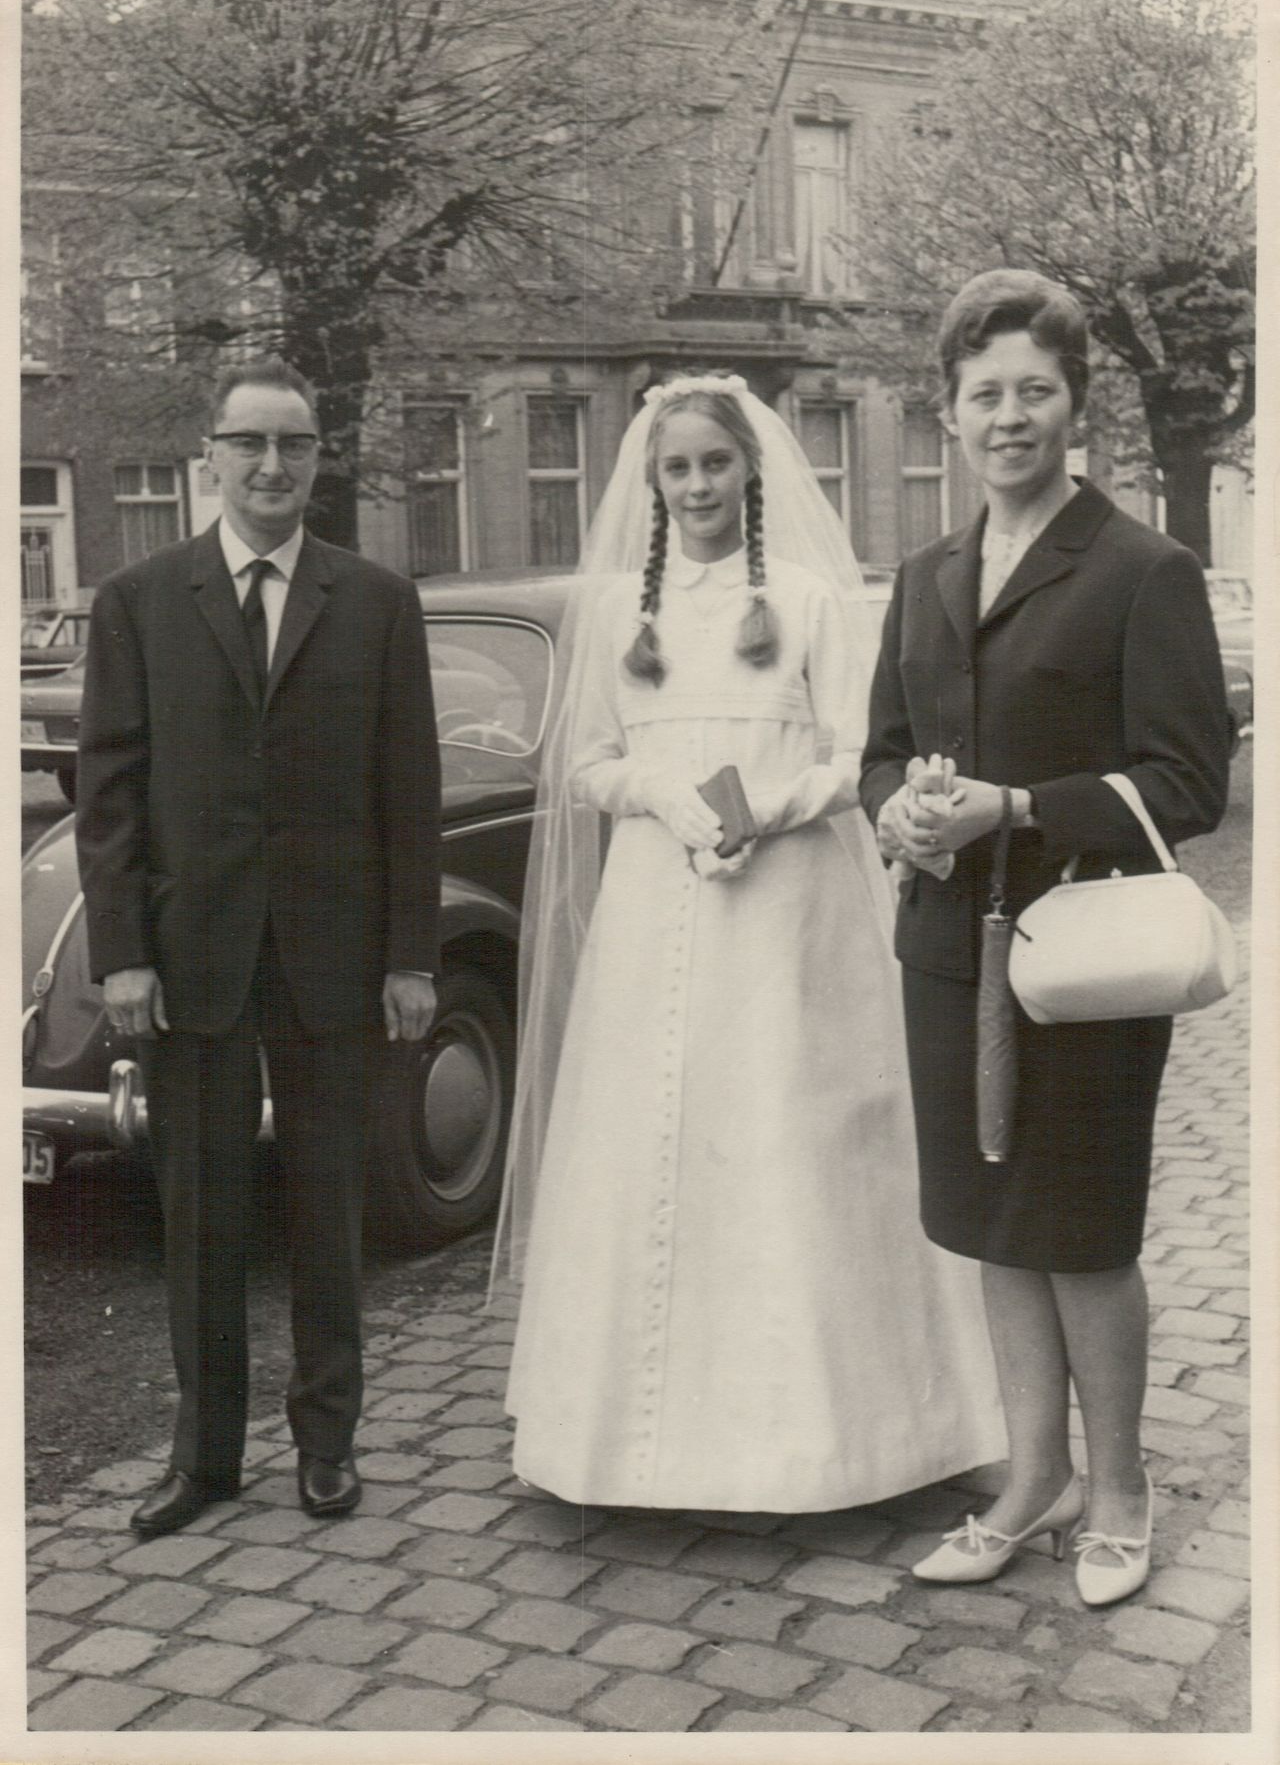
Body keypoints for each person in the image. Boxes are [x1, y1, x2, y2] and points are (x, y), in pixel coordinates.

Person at [494, 372, 1006, 1512]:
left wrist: (768, 805)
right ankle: (631, 1444)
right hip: (654, 899)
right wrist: (667, 799)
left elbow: (855, 751)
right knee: (658, 1138)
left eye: (713, 465)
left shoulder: (815, 602)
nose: (695, 487)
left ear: (749, 470)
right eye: (675, 469)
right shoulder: (628, 609)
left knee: (789, 1134)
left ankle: (836, 1438)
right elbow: (584, 760)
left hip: (788, 912)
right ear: (652, 480)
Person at [860, 271, 1229, 1606]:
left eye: (1033, 392)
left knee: (1081, 1231)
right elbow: (880, 758)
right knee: (992, 1228)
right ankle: (1032, 1480)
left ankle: (1119, 1488)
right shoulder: (923, 575)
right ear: (949, 416)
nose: (1008, 417)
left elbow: (1186, 783)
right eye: (983, 396)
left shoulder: (1141, 569)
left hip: (1082, 963)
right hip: (948, 953)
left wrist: (1016, 808)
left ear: (1075, 406)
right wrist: (899, 812)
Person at [76, 357, 441, 1536]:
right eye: (251, 444)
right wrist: (123, 951)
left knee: (329, 1212)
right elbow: (113, 793)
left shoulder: (376, 601)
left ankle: (327, 1444)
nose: (272, 466)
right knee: (202, 1214)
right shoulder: (139, 601)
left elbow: (408, 793)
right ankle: (204, 1456)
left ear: (318, 459)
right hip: (191, 964)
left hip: (333, 960)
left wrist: (410, 955)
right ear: (211, 458)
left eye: (295, 445)